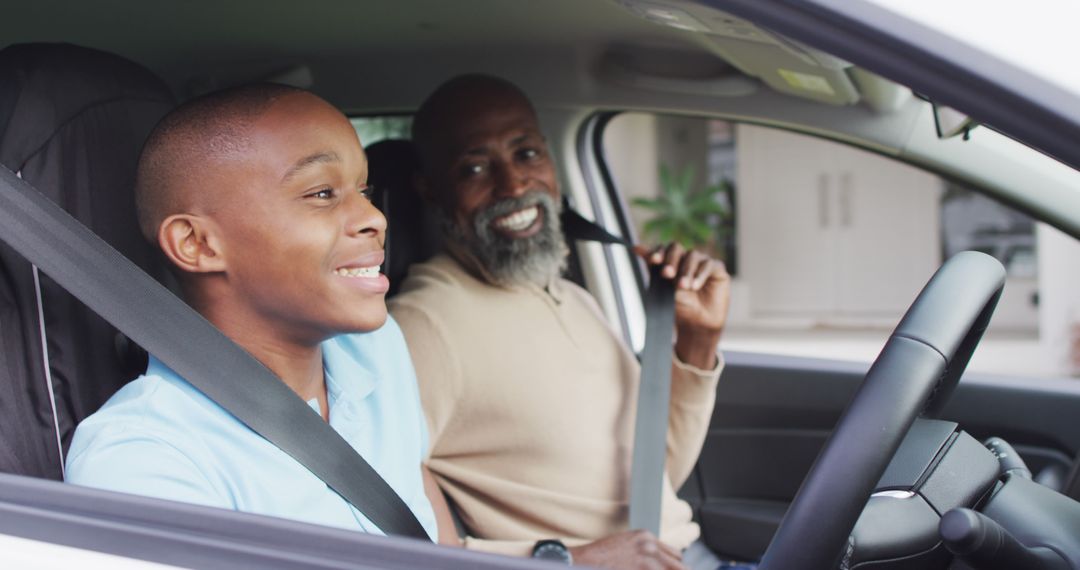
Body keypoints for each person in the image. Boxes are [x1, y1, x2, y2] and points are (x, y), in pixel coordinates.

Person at [65, 84, 457, 544]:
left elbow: (421, 506)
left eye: (363, 190)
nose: (374, 217)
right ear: (198, 244)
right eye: (323, 193)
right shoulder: (146, 456)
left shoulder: (376, 347)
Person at [388, 74, 732, 569]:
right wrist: (566, 558)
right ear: (432, 190)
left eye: (526, 154)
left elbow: (656, 477)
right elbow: (394, 533)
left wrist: (698, 342)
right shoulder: (422, 326)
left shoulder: (573, 297)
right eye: (475, 168)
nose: (513, 184)